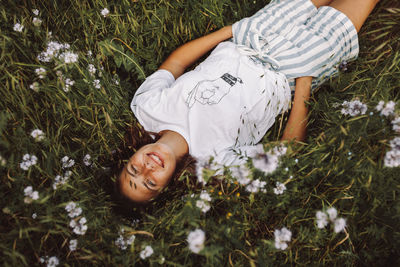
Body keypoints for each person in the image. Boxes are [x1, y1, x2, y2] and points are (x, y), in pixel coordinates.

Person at [118, 0, 380, 202]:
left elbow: (174, 63)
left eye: (133, 170)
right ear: (169, 184)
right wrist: (304, 81)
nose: (147, 169)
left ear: (131, 157)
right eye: (151, 183)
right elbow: (287, 152)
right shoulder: (213, 162)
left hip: (253, 34)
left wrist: (230, 30)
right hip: (291, 68)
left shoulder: (146, 108)